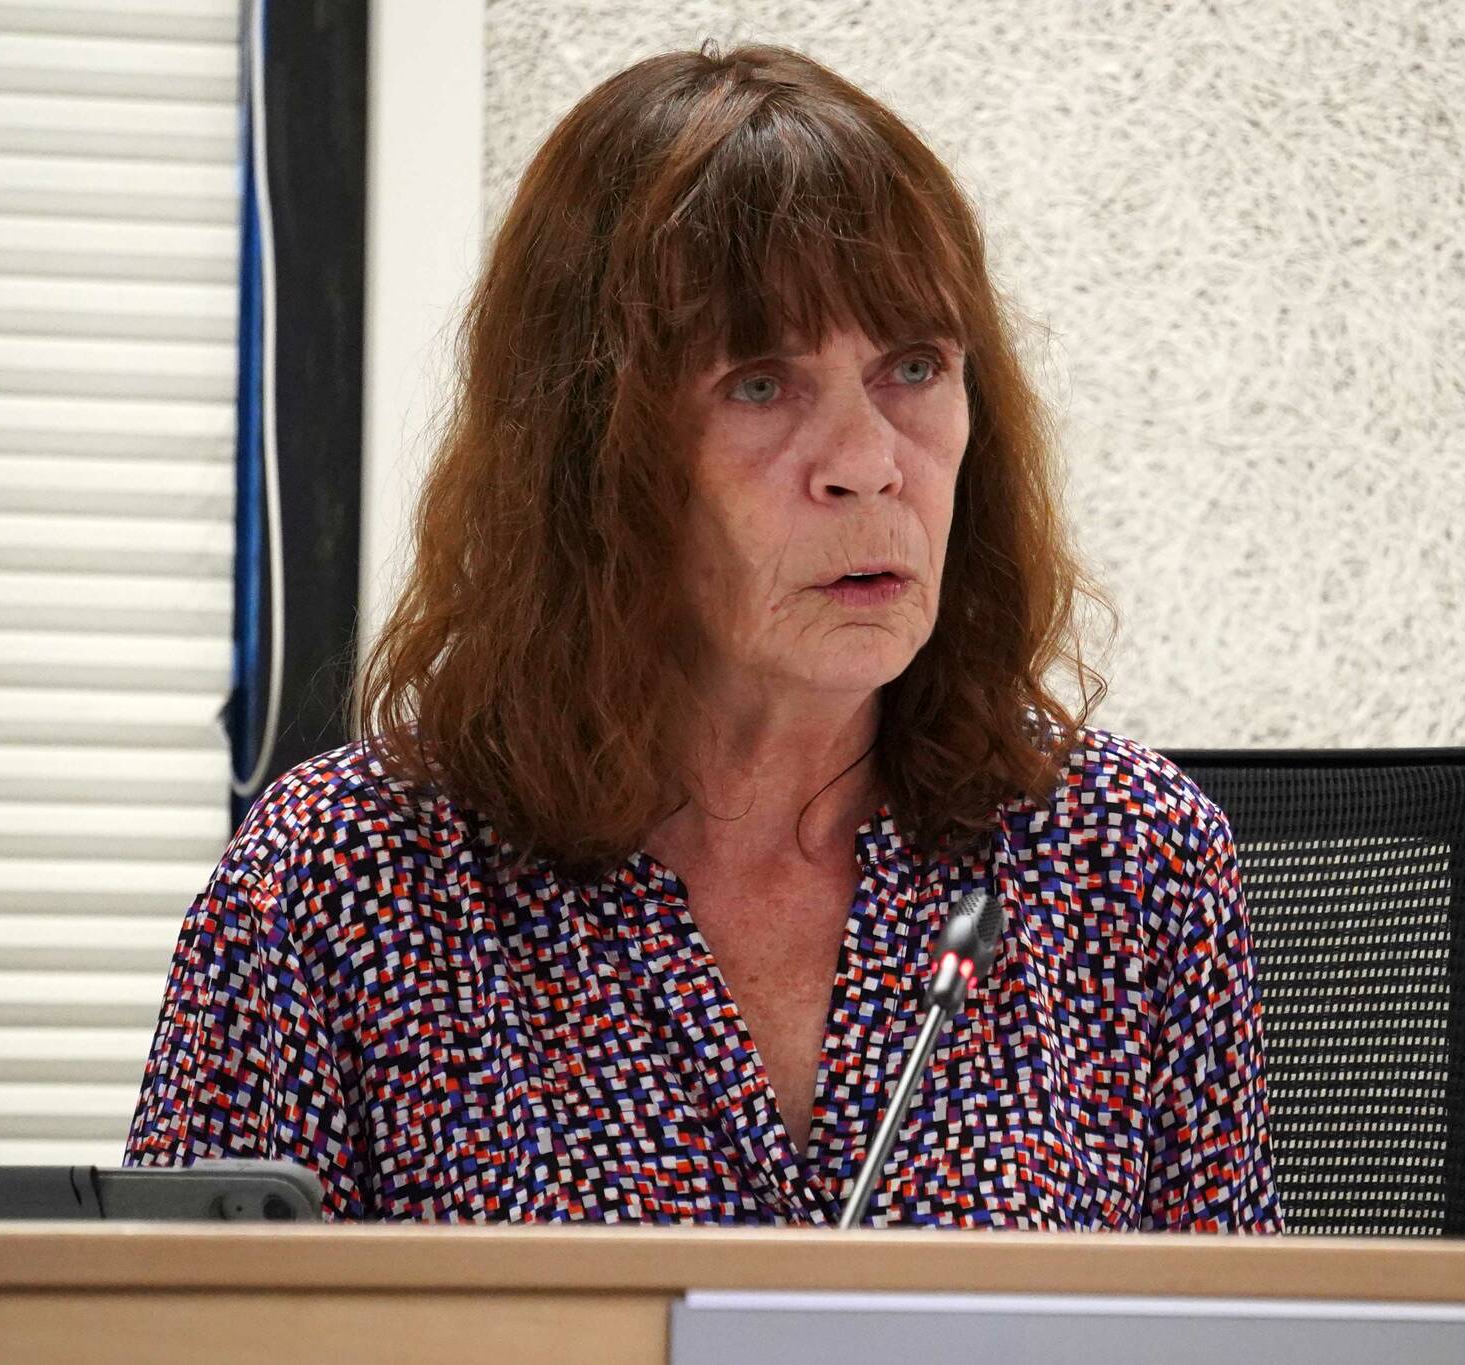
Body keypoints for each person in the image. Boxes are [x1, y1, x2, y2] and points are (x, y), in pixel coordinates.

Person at [122, 38, 1281, 1231]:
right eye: (761, 384)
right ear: (588, 454)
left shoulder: (1126, 860)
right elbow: (178, 1339)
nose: (869, 464)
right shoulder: (346, 880)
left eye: (913, 368)